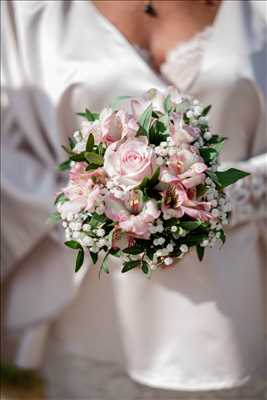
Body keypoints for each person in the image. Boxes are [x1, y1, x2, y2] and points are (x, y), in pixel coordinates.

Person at [1, 1, 266, 399]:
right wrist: (91, 204)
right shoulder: (24, 10)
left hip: (234, 309)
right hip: (94, 316)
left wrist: (216, 197)